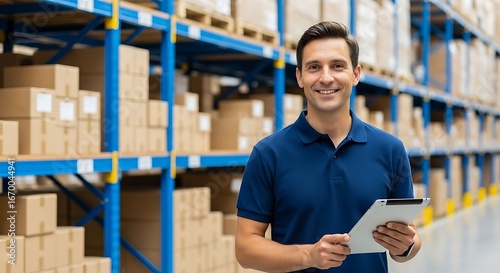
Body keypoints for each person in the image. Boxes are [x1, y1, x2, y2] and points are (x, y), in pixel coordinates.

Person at [235, 21, 421, 273]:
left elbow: (409, 240)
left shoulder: (390, 149)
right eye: (314, 67)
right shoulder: (269, 154)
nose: (325, 77)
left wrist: (405, 246)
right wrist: (308, 256)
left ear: (355, 74)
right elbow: (246, 249)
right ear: (300, 77)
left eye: (337, 66)